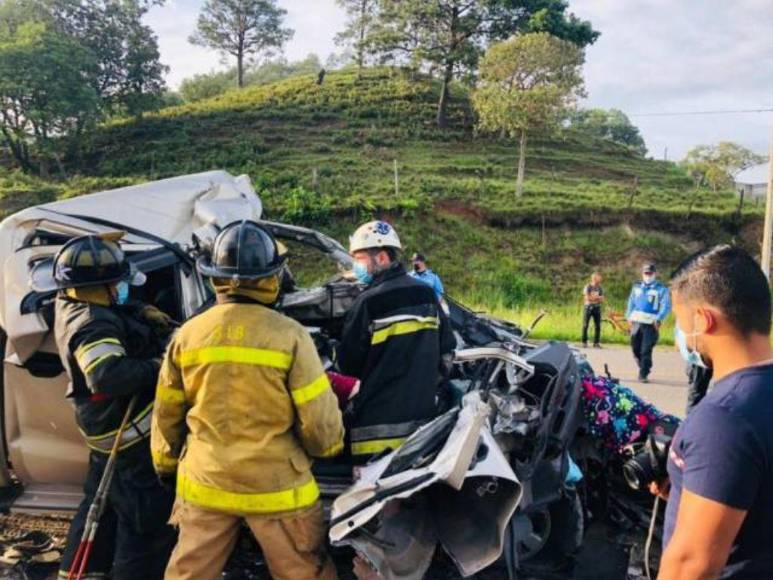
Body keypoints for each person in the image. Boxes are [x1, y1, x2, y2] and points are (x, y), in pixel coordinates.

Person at [151, 220, 344, 580]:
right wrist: (328, 450)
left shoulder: (188, 334)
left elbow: (167, 413)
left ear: (215, 277)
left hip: (206, 483)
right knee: (305, 572)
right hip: (277, 487)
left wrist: (165, 464)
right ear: (272, 277)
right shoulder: (290, 335)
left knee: (189, 574)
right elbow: (319, 423)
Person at [52, 233, 176, 580]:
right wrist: (162, 365)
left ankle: (80, 574)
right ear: (101, 287)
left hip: (105, 434)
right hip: (130, 435)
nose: (123, 288)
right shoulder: (92, 324)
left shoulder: (72, 300)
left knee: (99, 512)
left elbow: (113, 310)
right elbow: (108, 375)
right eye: (117, 283)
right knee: (145, 525)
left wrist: (139, 310)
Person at [652, 245, 773, 578]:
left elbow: (692, 565)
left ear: (704, 320)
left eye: (680, 321)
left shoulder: (725, 418)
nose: (679, 336)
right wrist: (694, 486)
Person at [338, 221, 455, 460]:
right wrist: (427, 392)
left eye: (359, 259)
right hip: (422, 434)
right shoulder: (426, 294)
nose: (356, 266)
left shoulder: (368, 302)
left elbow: (347, 366)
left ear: (381, 257)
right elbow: (446, 354)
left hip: (373, 437)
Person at [625, 263, 670, 382]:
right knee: (635, 348)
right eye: (646, 273)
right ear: (642, 274)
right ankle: (644, 366)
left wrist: (659, 318)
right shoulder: (637, 287)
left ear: (654, 274)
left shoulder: (661, 289)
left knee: (646, 349)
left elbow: (666, 306)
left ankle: (643, 373)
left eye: (650, 273)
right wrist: (628, 316)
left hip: (650, 324)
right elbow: (631, 302)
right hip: (636, 321)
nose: (648, 275)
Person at [581, 272, 604, 348]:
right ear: (594, 278)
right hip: (588, 308)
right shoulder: (588, 287)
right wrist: (597, 298)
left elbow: (602, 299)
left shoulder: (600, 288)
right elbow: (587, 298)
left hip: (597, 308)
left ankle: (596, 343)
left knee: (598, 326)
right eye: (599, 277)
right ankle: (584, 342)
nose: (600, 279)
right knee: (585, 325)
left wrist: (595, 298)